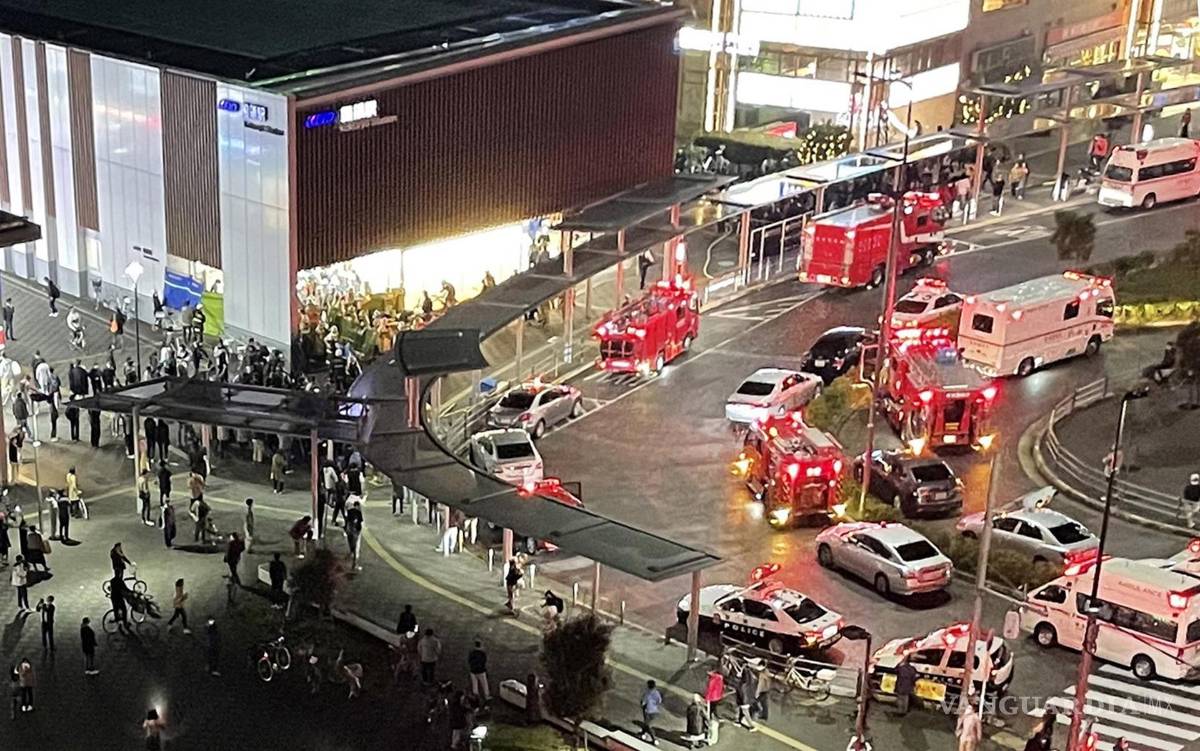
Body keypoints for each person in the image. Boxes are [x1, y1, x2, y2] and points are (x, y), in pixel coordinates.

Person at [640, 679, 663, 744]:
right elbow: (659, 701)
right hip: (655, 711)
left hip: (648, 711)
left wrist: (642, 705)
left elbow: (643, 703)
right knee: (646, 723)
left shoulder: (647, 693)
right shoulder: (657, 693)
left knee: (648, 725)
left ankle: (654, 739)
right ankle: (643, 733)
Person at [344, 499, 363, 570]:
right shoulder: (358, 512)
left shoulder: (349, 512)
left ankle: (351, 558)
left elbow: (347, 521)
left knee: (351, 545)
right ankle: (355, 564)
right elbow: (360, 522)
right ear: (357, 506)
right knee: (356, 548)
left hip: (350, 530)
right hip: (356, 531)